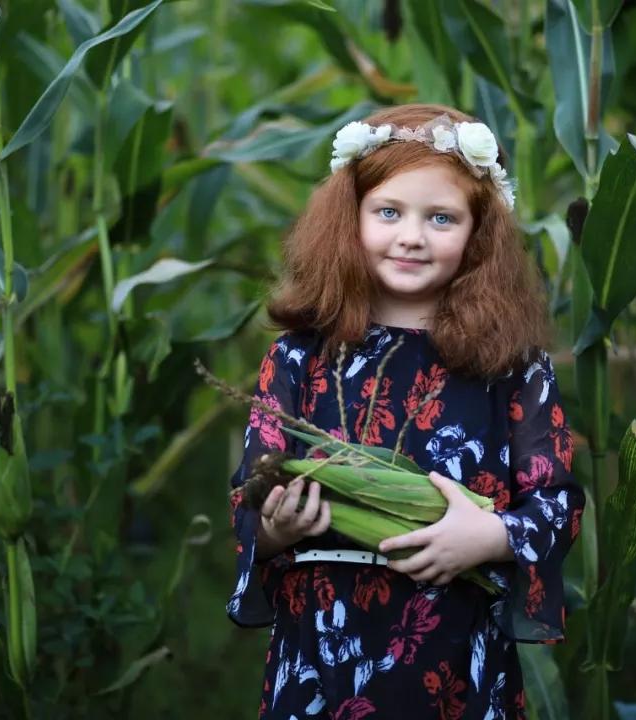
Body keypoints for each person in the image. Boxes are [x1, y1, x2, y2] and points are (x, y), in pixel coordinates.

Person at [226, 103, 585, 719]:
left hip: (453, 656)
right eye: (388, 212)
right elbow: (251, 498)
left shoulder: (512, 368)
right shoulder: (298, 359)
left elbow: (557, 504)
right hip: (320, 658)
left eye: (441, 218)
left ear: (479, 234)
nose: (412, 236)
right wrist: (274, 527)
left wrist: (490, 535)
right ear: (350, 218)